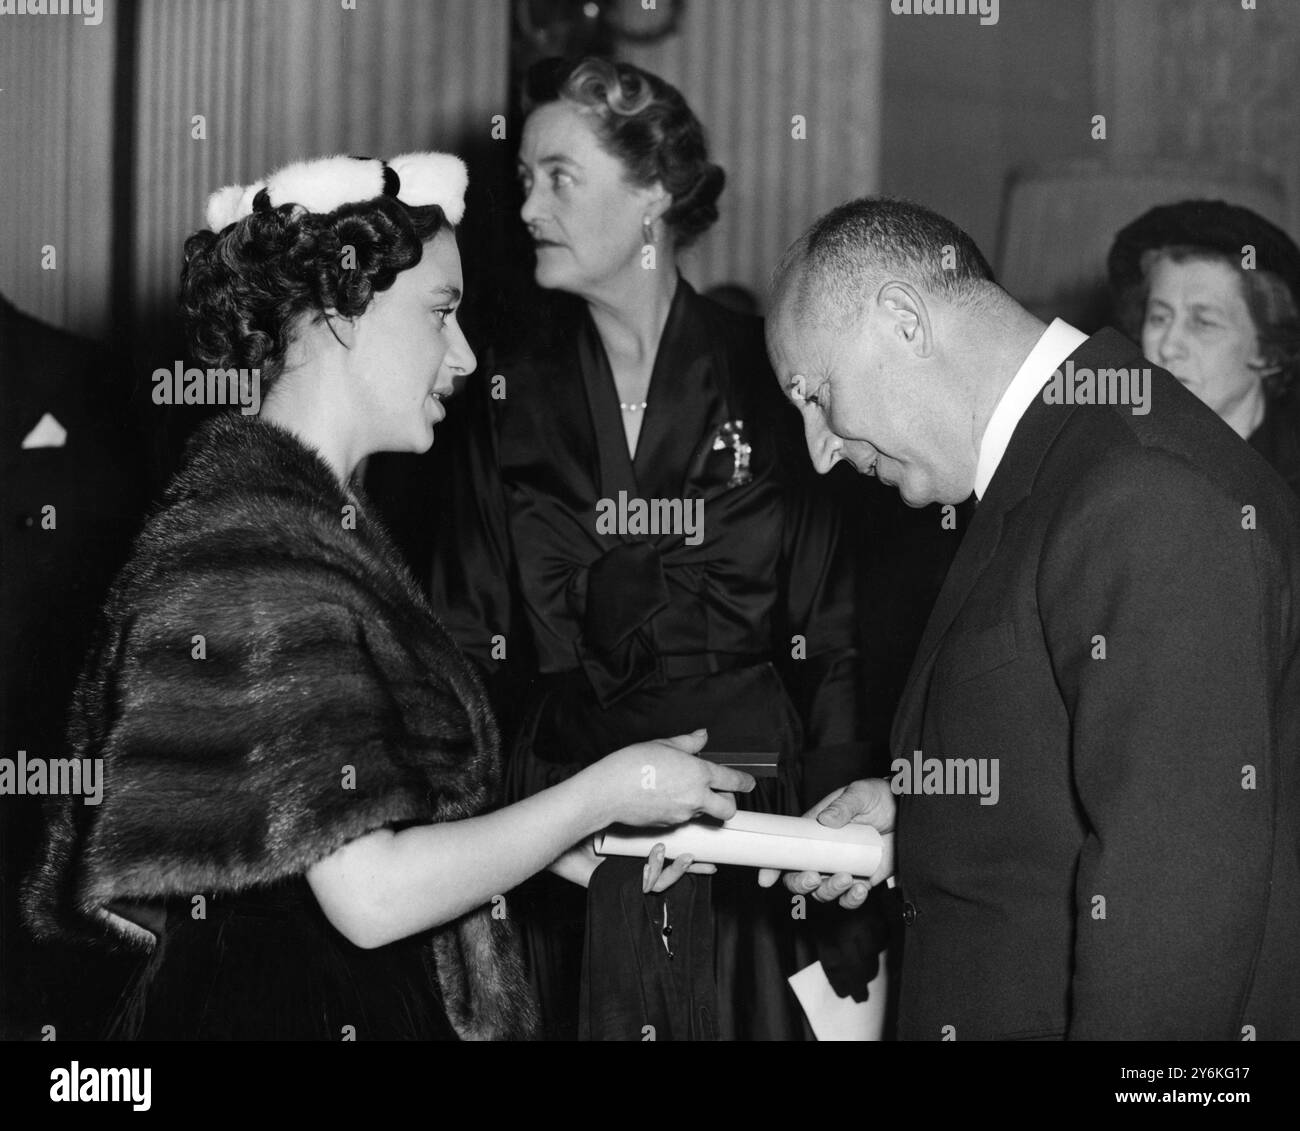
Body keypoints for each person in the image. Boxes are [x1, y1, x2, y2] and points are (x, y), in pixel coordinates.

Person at [21, 152, 753, 1042]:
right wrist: (607, 790)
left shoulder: (298, 528)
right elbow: (367, 894)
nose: (466, 354)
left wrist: (570, 844)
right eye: (441, 314)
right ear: (340, 309)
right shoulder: (266, 552)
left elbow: (349, 838)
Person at [760, 196, 1300, 1040]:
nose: (818, 448)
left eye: (816, 394)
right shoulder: (1062, 457)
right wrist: (929, 811)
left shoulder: (1143, 486)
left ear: (905, 319)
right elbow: (1086, 774)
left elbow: (1175, 921)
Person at [430, 57, 873, 1040]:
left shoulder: (768, 373)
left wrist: (839, 852)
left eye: (559, 176)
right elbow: (459, 648)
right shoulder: (499, 397)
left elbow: (831, 639)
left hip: (750, 827)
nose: (529, 205)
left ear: (653, 196)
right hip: (569, 830)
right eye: (524, 179)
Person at [1108, 199, 1300, 495]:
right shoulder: (1105, 455)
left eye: (1204, 323)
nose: (1169, 347)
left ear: (1266, 350)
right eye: (1159, 317)